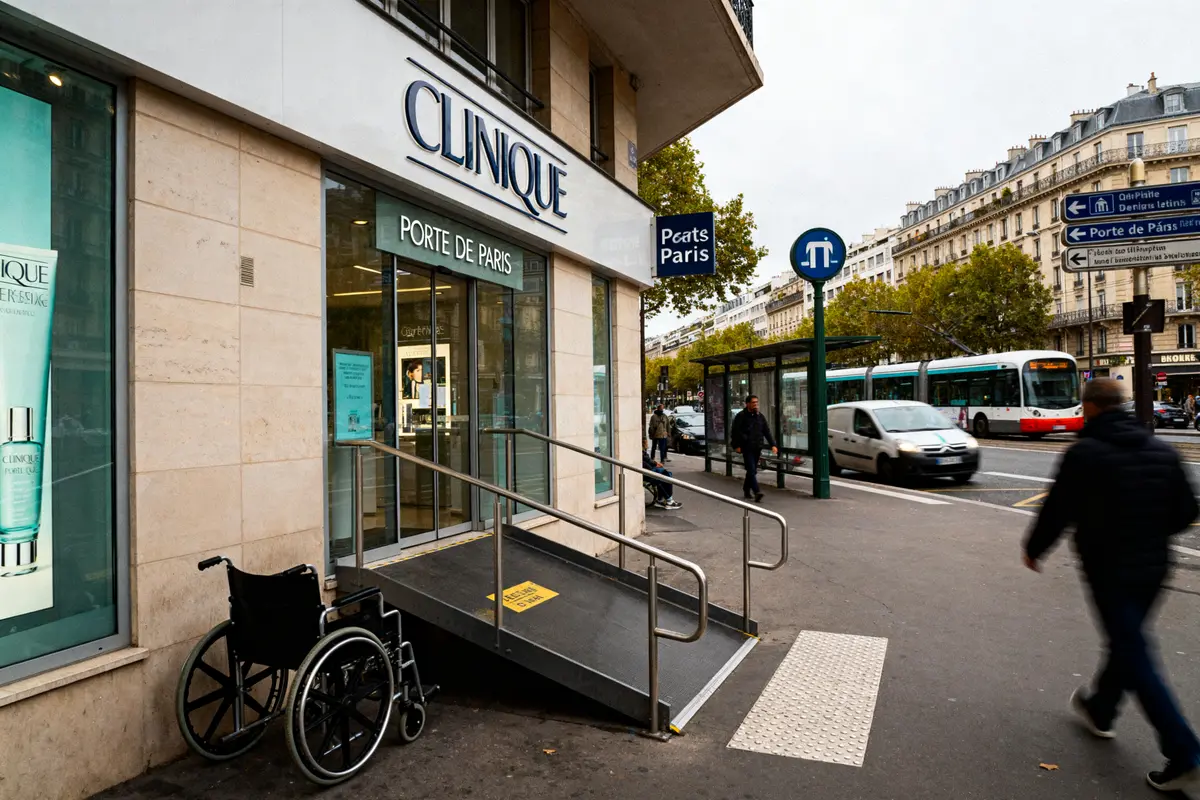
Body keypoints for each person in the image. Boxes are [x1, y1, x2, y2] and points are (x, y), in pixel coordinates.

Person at [1023, 378, 1200, 792]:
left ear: (1089, 407)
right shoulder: (1161, 450)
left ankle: (1185, 754)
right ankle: (1101, 708)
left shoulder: (1084, 453)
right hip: (1155, 565)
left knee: (1134, 653)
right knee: (1128, 642)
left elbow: (1057, 509)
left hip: (1108, 566)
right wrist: (1150, 533)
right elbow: (1186, 511)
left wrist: (1035, 550)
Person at [730, 394, 777, 502]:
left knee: (752, 470)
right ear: (747, 404)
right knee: (751, 469)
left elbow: (766, 431)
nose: (755, 404)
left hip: (757, 447)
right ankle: (757, 492)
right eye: (753, 402)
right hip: (746, 447)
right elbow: (735, 432)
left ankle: (746, 489)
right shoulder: (741, 416)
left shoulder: (760, 416)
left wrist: (773, 445)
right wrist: (736, 445)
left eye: (756, 402)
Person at [642, 440, 681, 509]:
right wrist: (654, 466)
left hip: (647, 470)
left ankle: (663, 499)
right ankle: (668, 500)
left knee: (666, 475)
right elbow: (645, 462)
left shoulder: (642, 451)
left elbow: (647, 460)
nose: (647, 443)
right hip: (646, 472)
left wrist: (654, 465)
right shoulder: (641, 452)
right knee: (663, 477)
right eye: (646, 442)